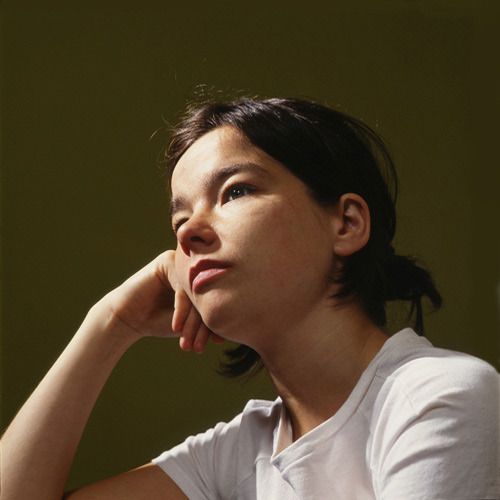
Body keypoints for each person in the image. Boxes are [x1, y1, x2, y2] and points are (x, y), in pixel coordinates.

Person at [1, 97, 498, 499]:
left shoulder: (437, 397)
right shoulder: (238, 453)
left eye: (235, 192)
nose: (190, 232)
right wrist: (110, 324)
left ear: (346, 223)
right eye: (179, 222)